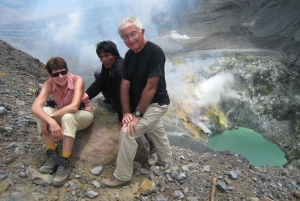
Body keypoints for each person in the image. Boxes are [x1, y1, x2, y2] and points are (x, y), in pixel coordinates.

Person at [100, 16, 173, 188]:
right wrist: (126, 112)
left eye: (133, 34)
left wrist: (137, 115)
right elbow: (125, 85)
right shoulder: (129, 55)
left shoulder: (155, 52)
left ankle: (123, 175)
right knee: (156, 130)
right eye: (125, 37)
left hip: (156, 103)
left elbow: (151, 87)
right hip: (143, 105)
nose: (130, 39)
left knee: (128, 131)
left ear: (142, 32)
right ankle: (166, 161)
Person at [86, 40, 157, 163]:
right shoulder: (108, 65)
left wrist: (122, 117)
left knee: (132, 124)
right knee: (99, 74)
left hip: (133, 101)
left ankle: (150, 145)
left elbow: (122, 96)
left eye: (107, 55)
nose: (104, 59)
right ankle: (109, 99)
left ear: (115, 54)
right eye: (101, 57)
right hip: (117, 93)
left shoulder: (120, 70)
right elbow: (100, 83)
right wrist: (85, 97)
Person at [31, 57, 94, 187]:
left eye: (63, 72)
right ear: (50, 75)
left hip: (82, 114)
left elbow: (74, 107)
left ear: (67, 70)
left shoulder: (77, 80)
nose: (61, 76)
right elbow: (35, 107)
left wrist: (51, 118)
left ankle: (65, 161)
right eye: (56, 74)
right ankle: (52, 154)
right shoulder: (48, 84)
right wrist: (48, 119)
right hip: (61, 112)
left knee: (67, 117)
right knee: (42, 112)